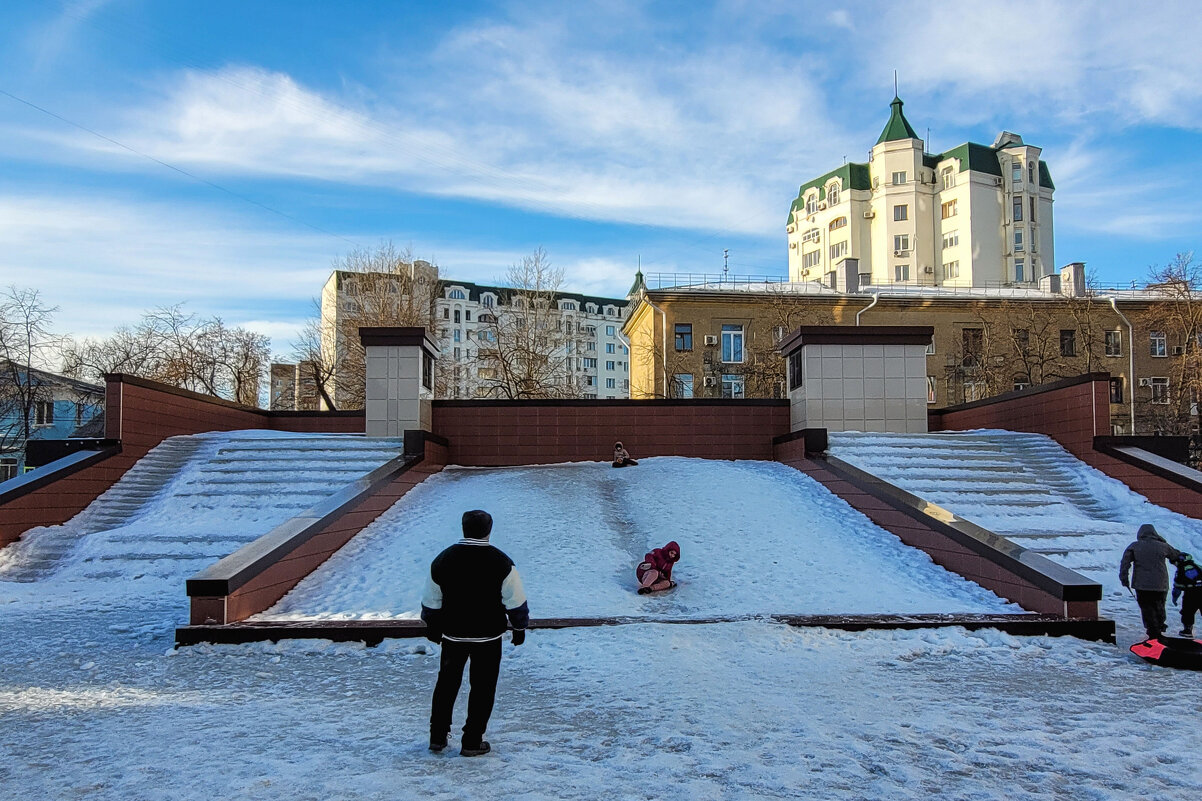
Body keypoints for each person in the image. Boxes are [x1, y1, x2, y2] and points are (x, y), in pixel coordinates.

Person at [422, 510, 529, 757]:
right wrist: (519, 627)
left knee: (446, 685)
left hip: (453, 635)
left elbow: (431, 600)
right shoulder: (502, 562)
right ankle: (472, 740)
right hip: (488, 637)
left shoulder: (443, 559)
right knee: (483, 687)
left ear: (463, 528)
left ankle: (437, 737)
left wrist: (433, 628)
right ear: (489, 530)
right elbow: (515, 600)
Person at [1119, 523, 1183, 641]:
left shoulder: (1134, 546)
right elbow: (1176, 555)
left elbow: (1125, 564)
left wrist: (1124, 578)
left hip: (1142, 584)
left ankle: (1153, 632)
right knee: (1159, 605)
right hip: (1161, 584)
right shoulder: (1163, 546)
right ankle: (1159, 627)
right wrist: (1162, 541)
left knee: (1147, 607)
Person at [1171, 552, 1202, 638]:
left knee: (1188, 612)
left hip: (1191, 594)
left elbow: (1177, 586)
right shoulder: (1198, 567)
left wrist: (1174, 598)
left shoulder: (1181, 570)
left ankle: (1187, 630)